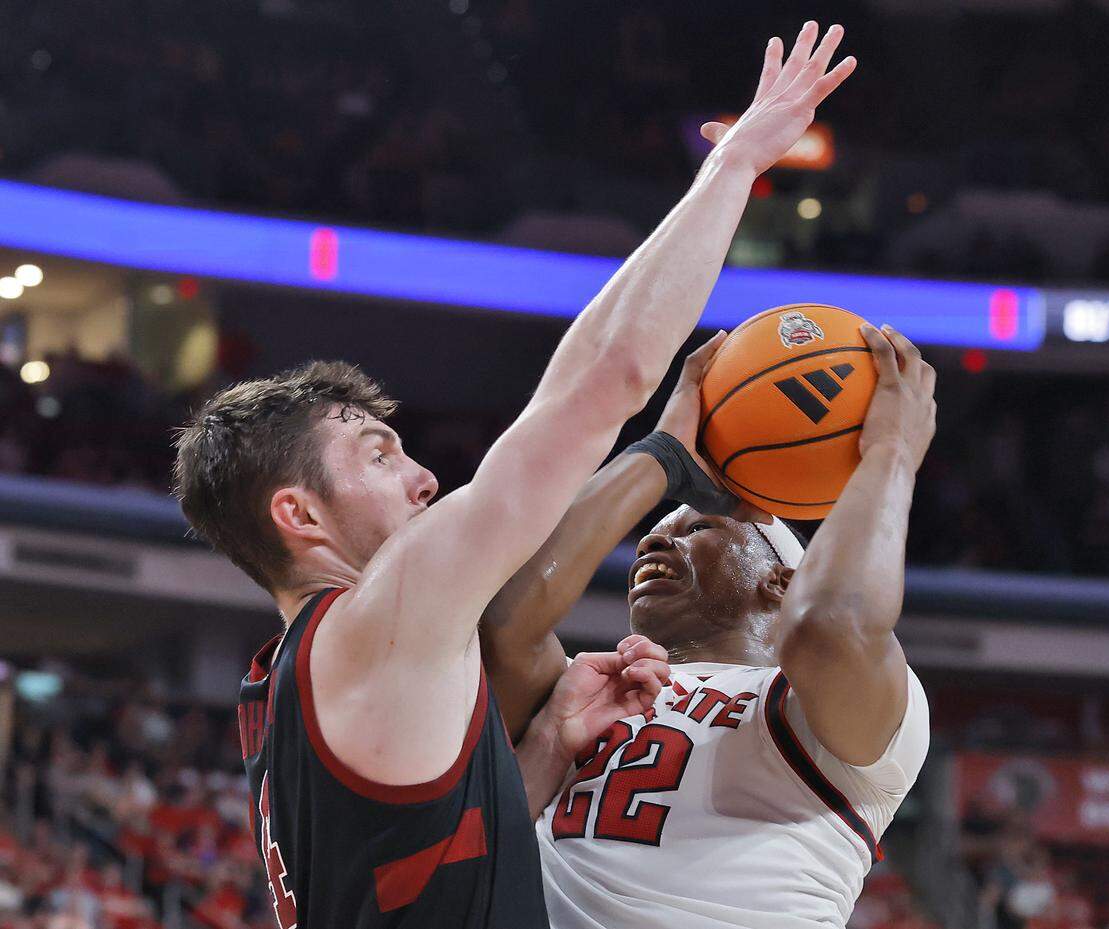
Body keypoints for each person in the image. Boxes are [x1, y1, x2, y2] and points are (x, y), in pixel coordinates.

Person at [172, 20, 856, 928]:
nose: (423, 480)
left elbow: (420, 881)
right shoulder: (376, 622)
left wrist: (541, 752)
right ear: (298, 514)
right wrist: (733, 168)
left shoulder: (288, 685)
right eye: (378, 457)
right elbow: (603, 379)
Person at [481, 317, 936, 928]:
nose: (650, 546)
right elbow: (502, 621)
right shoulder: (586, 696)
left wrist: (890, 453)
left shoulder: (833, 708)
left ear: (781, 581)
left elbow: (829, 622)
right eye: (648, 537)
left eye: (695, 529)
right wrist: (661, 457)